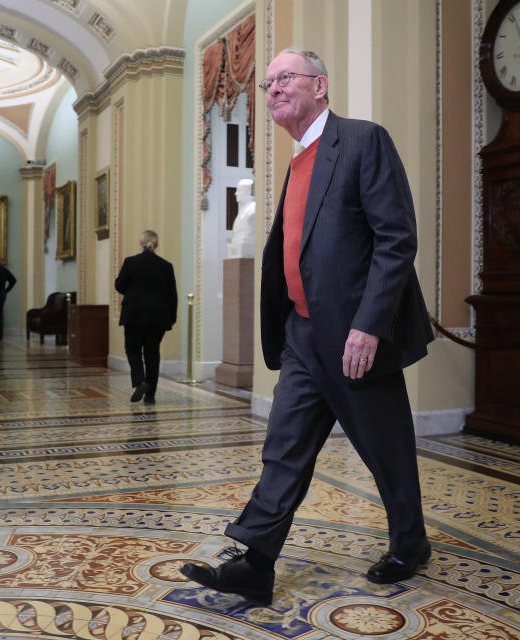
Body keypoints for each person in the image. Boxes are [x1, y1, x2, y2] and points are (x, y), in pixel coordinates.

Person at [180, 49, 434, 605]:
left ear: (320, 86)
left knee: (384, 447)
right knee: (284, 445)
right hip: (301, 333)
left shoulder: (363, 140)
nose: (271, 88)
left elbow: (396, 239)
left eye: (284, 78)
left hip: (353, 337)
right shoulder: (298, 160)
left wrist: (369, 326)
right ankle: (256, 562)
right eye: (267, 82)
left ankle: (410, 543)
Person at [114, 230, 178, 404]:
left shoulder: (131, 262)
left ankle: (140, 381)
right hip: (159, 317)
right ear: (156, 244)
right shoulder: (166, 266)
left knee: (132, 349)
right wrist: (172, 317)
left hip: (134, 314)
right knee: (152, 353)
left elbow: (119, 286)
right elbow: (172, 294)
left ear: (141, 243)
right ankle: (150, 396)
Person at [227, 178, 256, 259]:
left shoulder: (253, 209)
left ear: (249, 191)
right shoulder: (241, 211)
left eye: (239, 190)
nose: (236, 193)